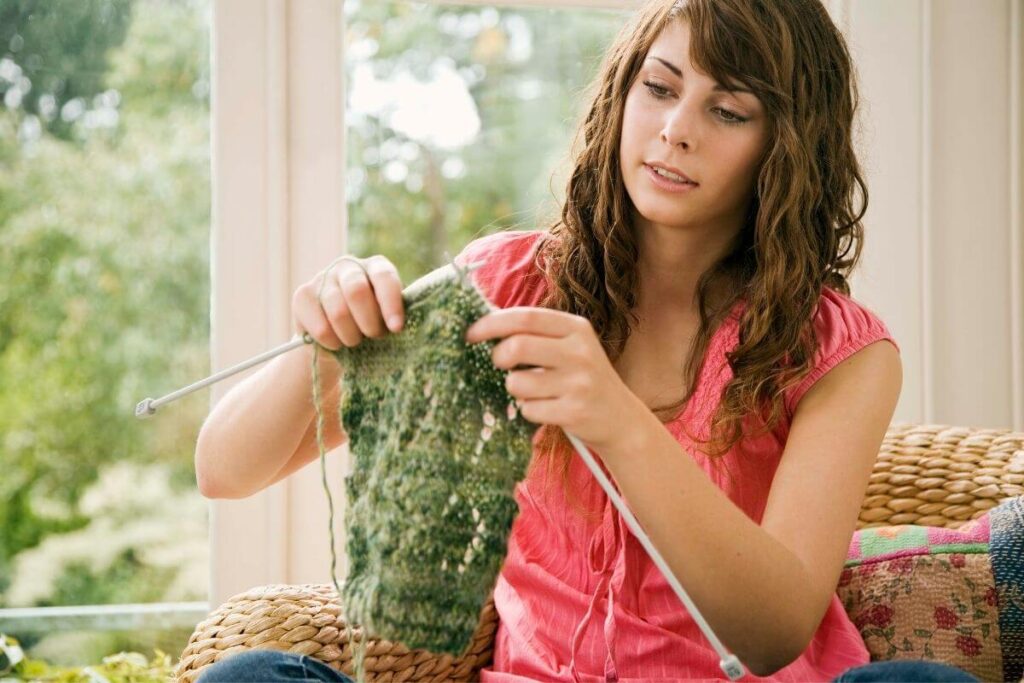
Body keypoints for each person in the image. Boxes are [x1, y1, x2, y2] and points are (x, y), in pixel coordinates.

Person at [194, 0, 979, 681]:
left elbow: (773, 633)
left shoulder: (841, 351)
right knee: (253, 674)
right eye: (660, 88)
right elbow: (225, 467)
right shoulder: (508, 285)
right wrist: (325, 335)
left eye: (728, 110)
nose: (674, 131)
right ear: (623, 93)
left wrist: (615, 416)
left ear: (787, 144)